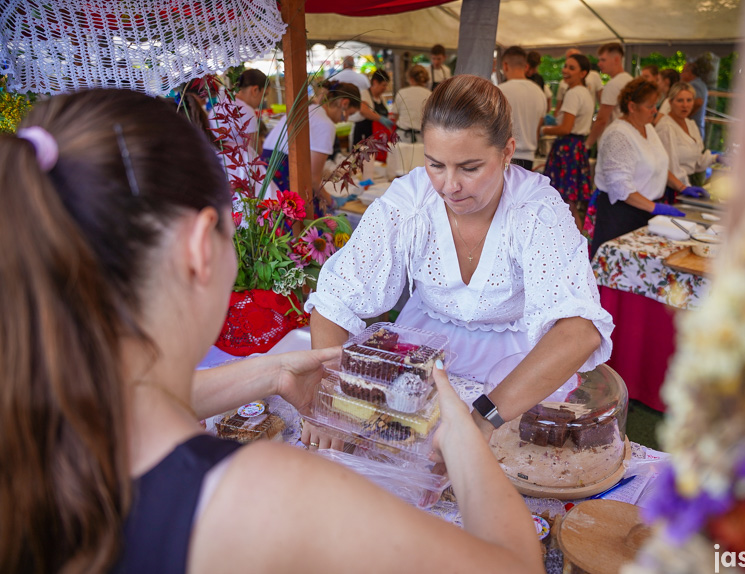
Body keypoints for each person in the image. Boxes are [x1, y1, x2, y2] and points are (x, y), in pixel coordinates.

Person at [0, 88, 545, 574]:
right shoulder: (262, 495)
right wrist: (459, 428)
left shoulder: (31, 420)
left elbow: (113, 403)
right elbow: (514, 565)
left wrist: (273, 370)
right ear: (199, 246)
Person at [305, 75, 613, 448]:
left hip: (516, 373)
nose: (449, 186)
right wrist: (335, 399)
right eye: (436, 164)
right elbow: (334, 301)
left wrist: (483, 420)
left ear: (507, 152)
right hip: (418, 362)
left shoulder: (537, 211)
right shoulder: (410, 203)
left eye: (469, 168)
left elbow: (578, 330)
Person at [590, 77, 703, 256]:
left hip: (644, 210)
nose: (655, 111)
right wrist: (655, 207)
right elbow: (621, 188)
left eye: (655, 105)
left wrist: (682, 187)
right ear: (632, 106)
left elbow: (658, 165)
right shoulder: (618, 135)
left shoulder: (647, 128)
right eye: (650, 106)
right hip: (622, 215)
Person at [262, 80, 362, 214]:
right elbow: (313, 180)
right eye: (349, 113)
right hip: (283, 183)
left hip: (266, 181)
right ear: (344, 103)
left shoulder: (309, 110)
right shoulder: (325, 124)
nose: (345, 119)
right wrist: (331, 202)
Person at [540, 53, 595, 225]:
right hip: (576, 147)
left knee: (564, 203)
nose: (566, 71)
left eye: (572, 68)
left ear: (583, 73)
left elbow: (565, 128)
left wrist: (543, 129)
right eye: (566, 66)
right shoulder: (585, 93)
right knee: (569, 203)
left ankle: (569, 244)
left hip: (567, 148)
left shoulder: (573, 94)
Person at [654, 82, 718, 200]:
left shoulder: (691, 124)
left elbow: (696, 161)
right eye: (680, 101)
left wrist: (715, 158)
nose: (685, 105)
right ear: (670, 102)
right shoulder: (666, 127)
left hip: (684, 185)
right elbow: (670, 168)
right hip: (671, 188)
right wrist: (685, 187)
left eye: (689, 100)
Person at [498, 46, 547, 171]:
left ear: (505, 65)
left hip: (503, 154)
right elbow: (538, 128)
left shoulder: (500, 90)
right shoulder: (539, 92)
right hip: (529, 156)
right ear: (525, 66)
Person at [585, 42, 633, 149]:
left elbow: (602, 120)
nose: (599, 64)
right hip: (626, 139)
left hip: (613, 142)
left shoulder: (613, 84)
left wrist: (587, 144)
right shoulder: (629, 79)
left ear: (616, 60)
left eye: (603, 60)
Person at [208, 68, 267, 152]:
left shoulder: (219, 106)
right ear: (255, 90)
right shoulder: (247, 112)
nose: (263, 100)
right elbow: (254, 152)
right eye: (264, 95)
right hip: (234, 163)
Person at [351, 68, 394, 149]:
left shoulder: (381, 98)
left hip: (376, 137)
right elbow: (363, 110)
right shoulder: (365, 94)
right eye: (383, 85)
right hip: (362, 137)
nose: (385, 88)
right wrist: (380, 118)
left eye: (386, 85)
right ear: (375, 82)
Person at [392, 64, 432, 143]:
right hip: (422, 138)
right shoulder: (430, 95)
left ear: (411, 79)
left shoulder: (402, 93)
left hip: (402, 137)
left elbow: (395, 116)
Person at [680, 59, 710, 139]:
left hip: (694, 128)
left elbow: (699, 102)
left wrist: (683, 116)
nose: (681, 74)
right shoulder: (701, 84)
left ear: (689, 72)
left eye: (683, 71)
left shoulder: (693, 85)